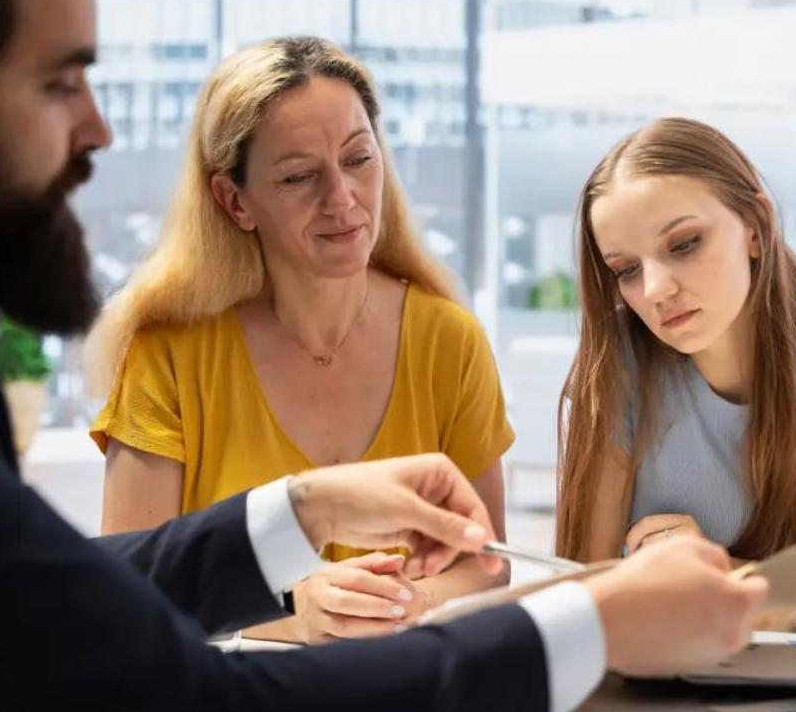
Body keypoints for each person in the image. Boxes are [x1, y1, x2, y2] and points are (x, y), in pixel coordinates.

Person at [0, 0, 769, 712]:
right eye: (60, 83)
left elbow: (49, 605)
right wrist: (585, 625)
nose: (97, 127)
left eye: (360, 159)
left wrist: (302, 510)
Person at [85, 36, 513, 643]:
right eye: (299, 176)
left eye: (359, 159)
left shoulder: (450, 340)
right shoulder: (168, 356)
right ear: (235, 201)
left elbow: (487, 563)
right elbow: (128, 596)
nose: (342, 200)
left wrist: (406, 601)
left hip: (399, 705)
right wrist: (291, 613)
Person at [556, 117, 796, 632]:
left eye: (683, 244)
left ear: (755, 227)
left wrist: (729, 576)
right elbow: (584, 584)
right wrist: (774, 595)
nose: (657, 289)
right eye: (627, 270)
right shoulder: (616, 364)